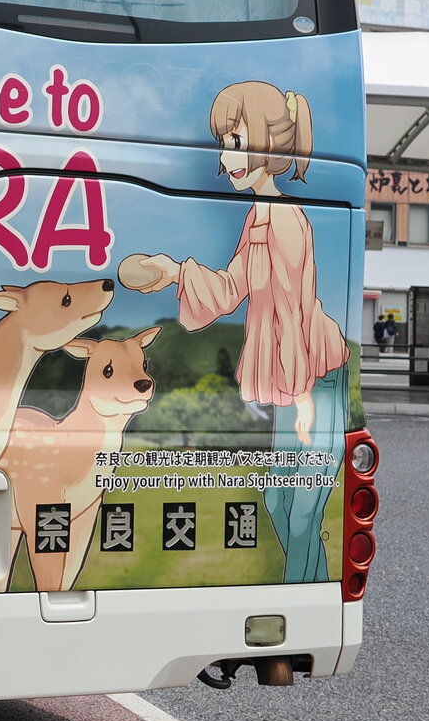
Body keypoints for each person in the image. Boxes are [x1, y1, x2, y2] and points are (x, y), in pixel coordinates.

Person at [120, 81, 347, 584]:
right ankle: (308, 587)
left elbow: (295, 312)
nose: (227, 160)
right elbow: (230, 288)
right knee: (282, 497)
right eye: (226, 146)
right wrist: (176, 271)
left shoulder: (284, 221)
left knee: (301, 508)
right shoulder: (259, 217)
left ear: (270, 141)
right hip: (297, 379)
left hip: (310, 377)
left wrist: (304, 397)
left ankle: (303, 598)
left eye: (236, 143)